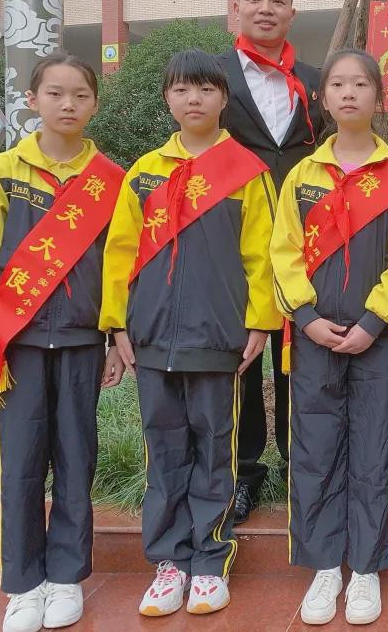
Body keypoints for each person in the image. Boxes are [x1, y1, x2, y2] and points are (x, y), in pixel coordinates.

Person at [100, 49, 281, 617]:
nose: (194, 99)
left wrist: (260, 322)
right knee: (163, 452)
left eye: (205, 89)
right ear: (167, 99)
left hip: (218, 339)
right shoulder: (144, 172)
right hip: (152, 337)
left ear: (224, 98)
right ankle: (169, 563)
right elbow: (120, 254)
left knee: (215, 452)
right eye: (181, 89)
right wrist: (117, 324)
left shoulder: (248, 172)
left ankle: (209, 561)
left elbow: (263, 255)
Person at [0, 54, 126, 632]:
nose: (67, 104)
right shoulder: (3, 170)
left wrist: (113, 337)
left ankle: (67, 578)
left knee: (77, 460)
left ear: (94, 104)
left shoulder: (110, 180)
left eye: (80, 95)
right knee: (22, 466)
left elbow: (117, 267)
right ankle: (24, 586)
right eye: (54, 93)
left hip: (82, 342)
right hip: (17, 345)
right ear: (32, 101)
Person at [271, 49, 388, 626]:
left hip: (376, 339)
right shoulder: (302, 176)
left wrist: (372, 323)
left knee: (373, 449)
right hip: (314, 335)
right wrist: (306, 316)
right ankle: (323, 566)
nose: (349, 93)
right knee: (314, 448)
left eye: (361, 84)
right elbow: (283, 252)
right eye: (338, 84)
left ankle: (364, 567)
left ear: (378, 97)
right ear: (324, 97)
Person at [217, 0, 325, 526]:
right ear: (235, 9)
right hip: (231, 240)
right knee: (240, 356)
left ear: (292, 13)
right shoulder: (210, 77)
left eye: (277, 0)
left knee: (299, 354)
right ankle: (241, 473)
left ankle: (300, 467)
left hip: (306, 240)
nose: (266, 8)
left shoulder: (317, 80)